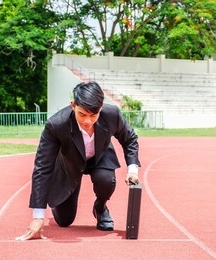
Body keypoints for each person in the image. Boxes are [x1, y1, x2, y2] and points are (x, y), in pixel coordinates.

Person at [16, 81, 140, 241]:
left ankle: (100, 208)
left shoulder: (112, 115)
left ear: (101, 108)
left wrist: (132, 169)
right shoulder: (56, 125)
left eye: (93, 115)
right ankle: (60, 200)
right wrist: (38, 215)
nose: (87, 121)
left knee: (106, 180)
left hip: (100, 159)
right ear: (73, 105)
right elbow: (42, 168)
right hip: (70, 165)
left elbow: (129, 138)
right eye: (82, 114)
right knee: (65, 221)